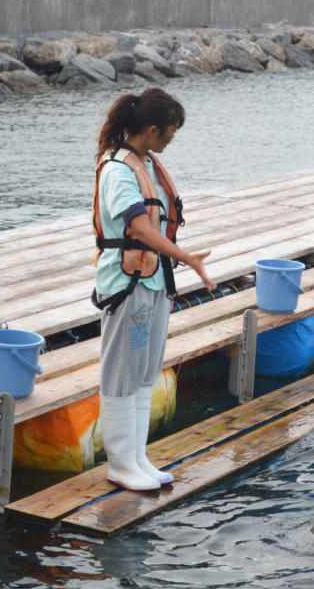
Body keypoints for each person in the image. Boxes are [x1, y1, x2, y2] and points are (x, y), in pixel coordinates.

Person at [91, 88, 216, 491]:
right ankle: (119, 462)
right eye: (171, 132)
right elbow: (138, 227)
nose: (172, 139)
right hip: (127, 285)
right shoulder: (117, 170)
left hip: (155, 281)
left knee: (146, 371)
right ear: (151, 129)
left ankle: (137, 456)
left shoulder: (146, 162)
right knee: (122, 373)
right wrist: (188, 257)